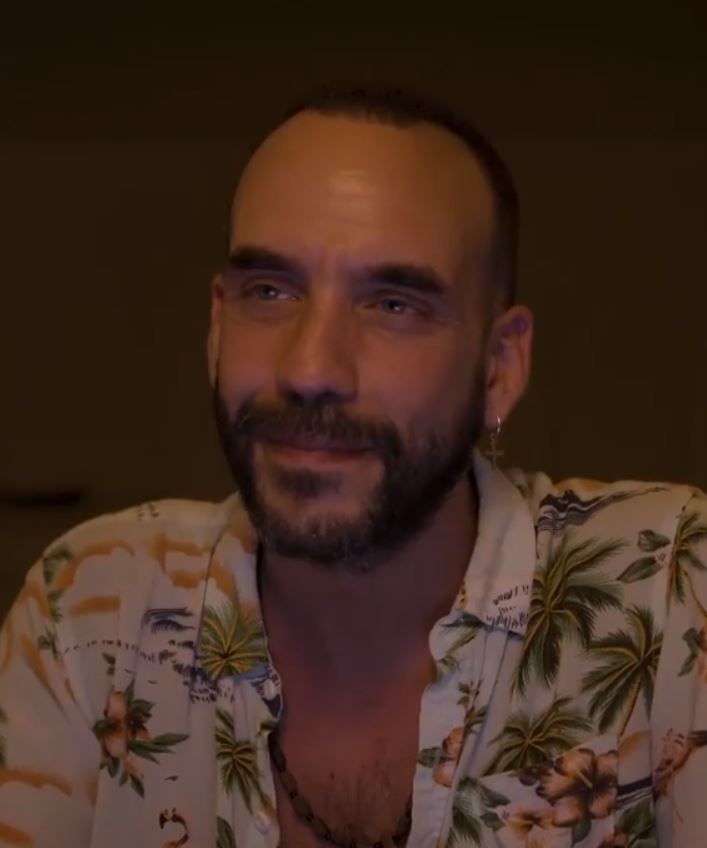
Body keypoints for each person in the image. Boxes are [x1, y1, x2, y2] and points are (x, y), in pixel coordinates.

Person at [0, 84, 704, 848]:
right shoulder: (93, 609)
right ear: (216, 328)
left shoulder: (670, 589)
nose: (309, 369)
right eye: (270, 291)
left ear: (499, 367)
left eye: (393, 304)